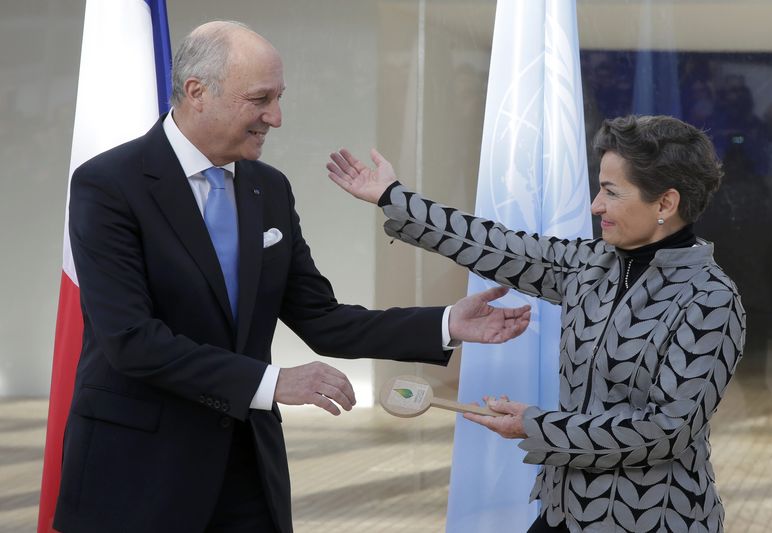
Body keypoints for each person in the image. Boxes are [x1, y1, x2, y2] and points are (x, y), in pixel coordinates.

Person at [53, 21, 532, 533]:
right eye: (260, 99)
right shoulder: (108, 184)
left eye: (279, 98)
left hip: (247, 474)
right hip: (139, 475)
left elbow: (320, 317)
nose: (275, 118)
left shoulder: (269, 189)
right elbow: (131, 340)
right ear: (197, 92)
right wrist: (275, 381)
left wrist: (445, 325)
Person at [327, 115, 745, 532]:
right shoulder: (591, 262)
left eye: (611, 192)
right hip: (562, 510)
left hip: (656, 520)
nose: (596, 205)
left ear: (666, 204)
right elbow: (495, 245)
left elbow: (665, 430)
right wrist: (391, 197)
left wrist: (536, 425)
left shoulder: (710, 299)